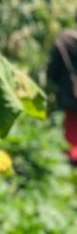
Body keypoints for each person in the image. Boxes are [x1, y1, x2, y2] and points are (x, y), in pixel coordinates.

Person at [46, 26, 77, 165]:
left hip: (70, 93)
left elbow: (52, 71)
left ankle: (71, 163)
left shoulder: (64, 40)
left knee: (71, 131)